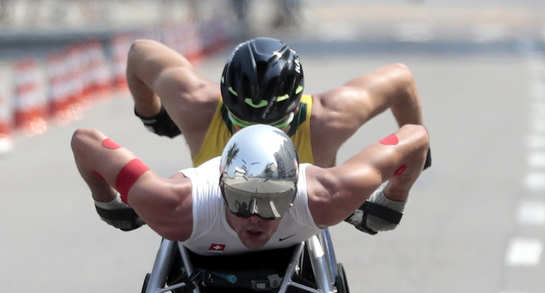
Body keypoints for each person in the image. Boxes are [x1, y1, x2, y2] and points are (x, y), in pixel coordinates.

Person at [100, 36, 430, 235]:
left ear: (297, 105)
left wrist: (153, 115)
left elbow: (401, 79)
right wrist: (152, 111)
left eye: (272, 125)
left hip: (293, 226)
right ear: (224, 99)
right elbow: (139, 52)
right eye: (243, 121)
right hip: (217, 221)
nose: (256, 134)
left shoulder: (330, 116)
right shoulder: (195, 103)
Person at [71, 123, 429, 254]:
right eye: (241, 201)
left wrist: (393, 200)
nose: (255, 218)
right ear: (222, 188)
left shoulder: (328, 196)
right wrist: (106, 200)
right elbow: (85, 139)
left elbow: (416, 137)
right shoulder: (172, 205)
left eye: (272, 203)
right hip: (196, 220)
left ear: (292, 194)